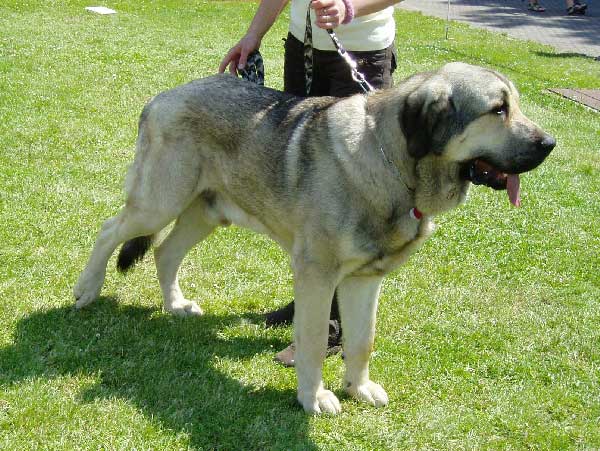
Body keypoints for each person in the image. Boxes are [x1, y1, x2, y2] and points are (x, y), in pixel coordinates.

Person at [219, 0, 402, 365]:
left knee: (347, 196)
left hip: (361, 51)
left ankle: (329, 327)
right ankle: (311, 302)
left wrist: (350, 9)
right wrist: (253, 34)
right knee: (305, 185)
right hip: (303, 48)